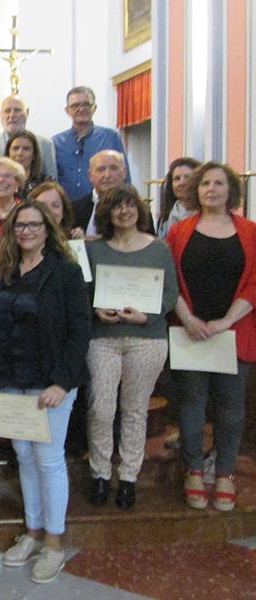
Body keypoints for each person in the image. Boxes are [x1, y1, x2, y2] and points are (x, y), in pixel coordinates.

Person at [0, 201, 91, 584]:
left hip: (49, 382)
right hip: (9, 379)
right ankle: (33, 532)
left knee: (49, 459)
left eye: (34, 225)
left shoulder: (67, 273)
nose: (26, 231)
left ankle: (54, 544)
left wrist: (63, 383)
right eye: (20, 226)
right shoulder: (3, 272)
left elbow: (79, 332)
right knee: (24, 456)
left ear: (47, 228)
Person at [166, 162, 256, 513]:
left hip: (235, 331)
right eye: (205, 183)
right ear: (196, 190)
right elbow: (169, 279)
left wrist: (225, 321)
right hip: (190, 330)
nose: (211, 189)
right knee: (191, 405)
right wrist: (188, 318)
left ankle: (224, 474)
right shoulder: (180, 231)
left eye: (219, 183)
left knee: (231, 408)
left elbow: (254, 282)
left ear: (231, 191)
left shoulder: (250, 232)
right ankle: (192, 470)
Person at [85, 185, 178, 510]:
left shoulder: (159, 248)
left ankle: (127, 477)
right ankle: (99, 473)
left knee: (135, 410)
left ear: (139, 209)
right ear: (107, 213)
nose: (123, 211)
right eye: (116, 207)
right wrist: (96, 309)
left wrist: (147, 314)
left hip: (146, 338)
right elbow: (85, 291)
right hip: (103, 337)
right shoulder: (94, 249)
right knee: (101, 408)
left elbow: (169, 294)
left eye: (129, 205)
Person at [53, 86, 130, 200]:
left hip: (104, 206)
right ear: (67, 110)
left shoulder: (110, 137)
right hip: (67, 210)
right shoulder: (56, 142)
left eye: (86, 104)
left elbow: (125, 177)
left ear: (94, 108)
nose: (81, 109)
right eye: (75, 105)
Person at [0, 95, 57, 179]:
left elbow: (52, 181)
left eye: (17, 110)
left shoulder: (45, 144)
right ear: (0, 114)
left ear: (27, 113)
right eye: (7, 111)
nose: (12, 115)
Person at [72, 149, 130, 239]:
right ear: (90, 176)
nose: (107, 175)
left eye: (113, 168)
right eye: (100, 170)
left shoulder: (136, 210)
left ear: (124, 172)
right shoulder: (73, 209)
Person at [157, 157, 202, 238]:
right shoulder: (165, 219)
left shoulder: (207, 216)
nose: (182, 183)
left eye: (187, 177)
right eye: (177, 178)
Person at [6, 131, 52, 200]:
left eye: (26, 149)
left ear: (34, 155)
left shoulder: (45, 183)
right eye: (15, 148)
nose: (20, 153)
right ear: (8, 153)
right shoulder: (0, 181)